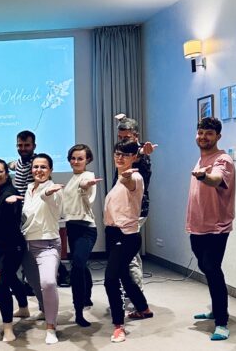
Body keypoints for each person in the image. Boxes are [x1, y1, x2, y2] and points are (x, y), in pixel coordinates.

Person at [185, 117, 235, 341]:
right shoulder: (201, 158)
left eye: (209, 133)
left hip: (216, 227)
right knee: (205, 267)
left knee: (213, 270)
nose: (203, 137)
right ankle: (216, 309)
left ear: (218, 136)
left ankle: (222, 322)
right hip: (197, 225)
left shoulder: (223, 160)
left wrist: (205, 176)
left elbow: (216, 179)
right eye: (200, 132)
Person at [103, 140, 153, 343]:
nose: (119, 157)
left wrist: (126, 178)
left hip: (125, 236)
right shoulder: (119, 178)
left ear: (134, 157)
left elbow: (130, 183)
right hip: (115, 234)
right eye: (117, 153)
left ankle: (119, 326)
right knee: (123, 274)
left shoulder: (135, 177)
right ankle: (143, 308)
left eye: (125, 154)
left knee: (110, 279)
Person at [20, 153, 63, 344]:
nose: (39, 170)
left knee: (48, 283)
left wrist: (47, 193)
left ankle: (51, 327)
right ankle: (45, 309)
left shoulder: (54, 190)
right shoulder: (29, 188)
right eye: (36, 167)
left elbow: (50, 200)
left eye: (43, 167)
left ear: (50, 170)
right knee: (34, 283)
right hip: (27, 244)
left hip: (48, 244)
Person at [0, 158, 28, 342]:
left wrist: (9, 203)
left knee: (2, 283)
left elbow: (12, 209)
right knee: (10, 277)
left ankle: (8, 328)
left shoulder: (9, 193)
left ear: (6, 173)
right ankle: (24, 308)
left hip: (12, 247)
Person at [115, 115, 157, 293]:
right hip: (123, 208)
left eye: (126, 137)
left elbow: (138, 156)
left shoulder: (140, 154)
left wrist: (143, 152)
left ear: (136, 136)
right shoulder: (124, 150)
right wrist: (123, 119)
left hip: (136, 210)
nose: (122, 140)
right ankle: (130, 291)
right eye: (120, 137)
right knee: (126, 251)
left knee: (129, 253)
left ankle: (135, 294)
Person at [61, 144, 102, 327]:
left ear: (88, 160)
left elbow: (85, 188)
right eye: (73, 158)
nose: (76, 161)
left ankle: (78, 311)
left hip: (86, 228)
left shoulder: (88, 176)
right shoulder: (71, 179)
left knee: (77, 265)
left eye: (80, 158)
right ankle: (86, 297)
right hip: (72, 227)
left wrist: (84, 186)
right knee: (80, 264)